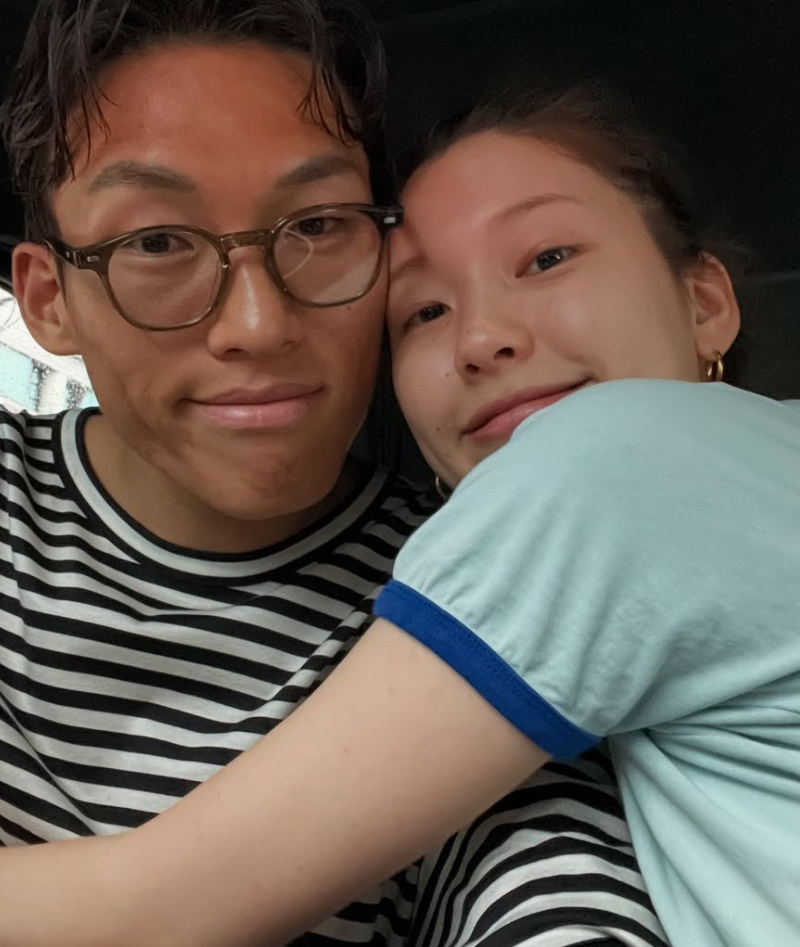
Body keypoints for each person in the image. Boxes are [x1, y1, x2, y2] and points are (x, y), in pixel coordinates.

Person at [3, 79, 795, 947]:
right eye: (424, 310)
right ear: (46, 297)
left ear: (706, 301)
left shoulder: (611, 460)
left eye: (546, 258)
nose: (481, 337)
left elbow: (156, 909)